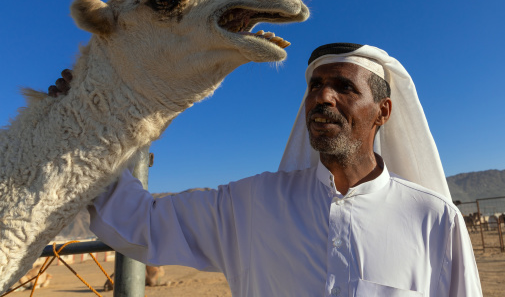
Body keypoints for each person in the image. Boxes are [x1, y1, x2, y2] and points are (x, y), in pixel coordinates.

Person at [52, 43, 482, 296]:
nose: (323, 97)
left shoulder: (435, 220)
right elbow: (142, 222)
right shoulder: (252, 204)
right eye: (315, 86)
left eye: (345, 87)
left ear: (383, 111)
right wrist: (88, 127)